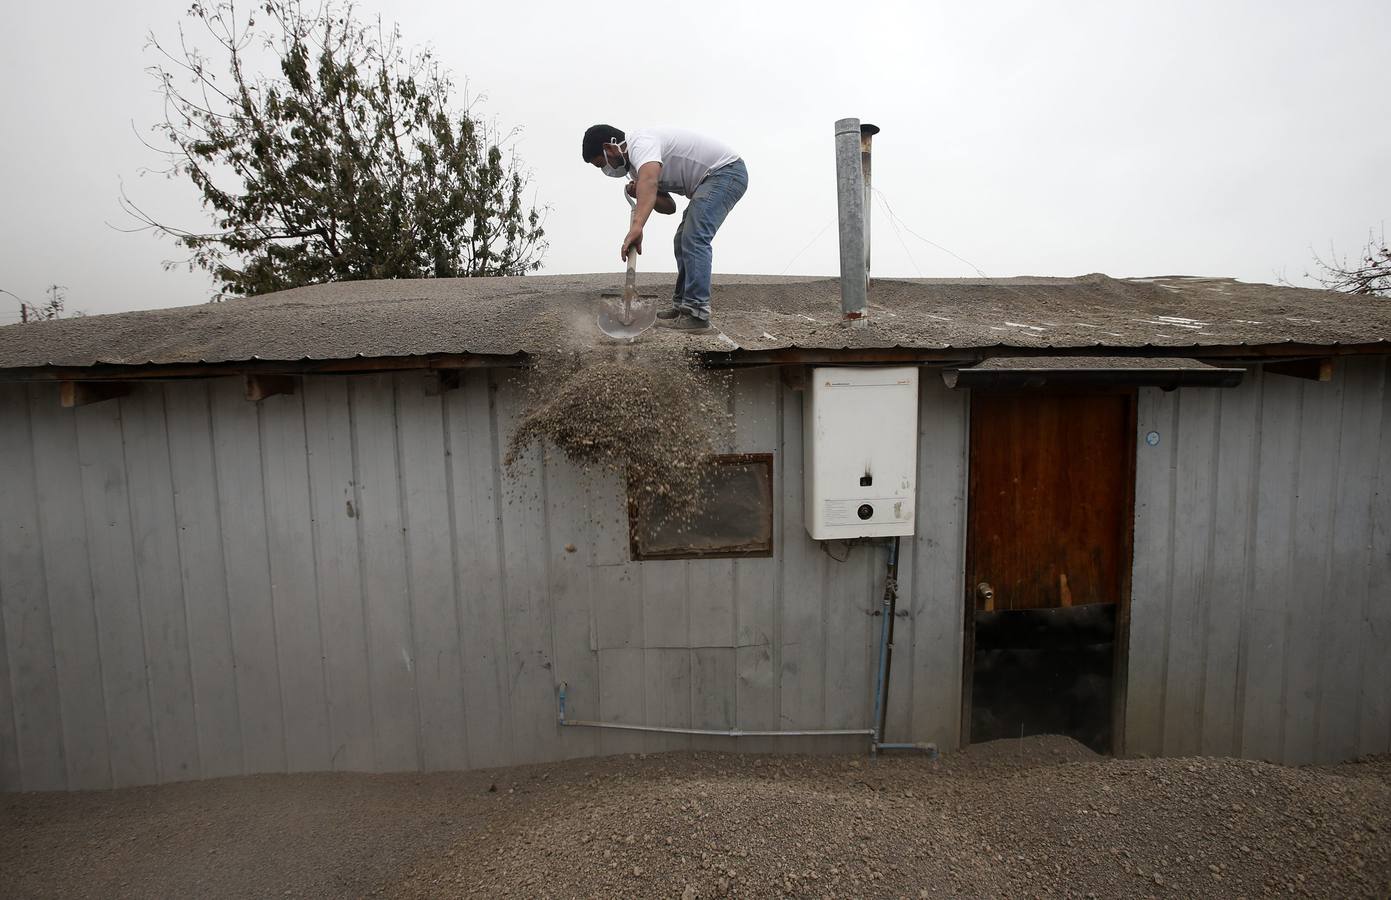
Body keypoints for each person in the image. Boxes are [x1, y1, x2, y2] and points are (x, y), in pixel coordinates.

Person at [582, 124, 748, 332]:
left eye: (601, 164)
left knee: (694, 237)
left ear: (610, 148)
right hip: (712, 180)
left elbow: (650, 183)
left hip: (726, 172)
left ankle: (697, 313)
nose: (606, 170)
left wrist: (637, 226)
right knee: (682, 239)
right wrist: (639, 194)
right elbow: (668, 206)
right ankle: (682, 307)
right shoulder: (636, 168)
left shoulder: (640, 144)